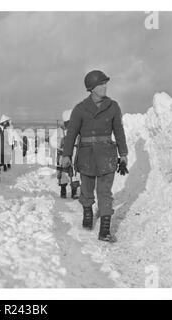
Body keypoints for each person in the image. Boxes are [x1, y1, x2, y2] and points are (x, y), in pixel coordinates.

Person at [62, 70, 128, 243]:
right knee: (86, 189)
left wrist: (123, 154)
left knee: (105, 192)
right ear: (92, 88)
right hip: (86, 155)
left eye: (105, 83)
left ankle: (104, 231)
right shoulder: (80, 109)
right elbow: (71, 134)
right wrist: (67, 155)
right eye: (101, 84)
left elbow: (119, 132)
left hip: (107, 155)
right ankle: (88, 216)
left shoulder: (113, 106)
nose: (105, 87)